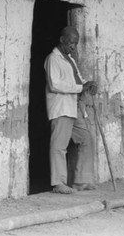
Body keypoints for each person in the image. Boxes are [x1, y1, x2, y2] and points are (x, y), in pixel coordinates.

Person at [44, 26, 97, 194]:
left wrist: (88, 85)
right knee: (59, 146)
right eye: (71, 42)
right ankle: (58, 184)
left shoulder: (70, 59)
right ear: (62, 40)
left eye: (76, 43)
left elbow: (78, 81)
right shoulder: (53, 59)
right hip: (61, 108)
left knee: (86, 139)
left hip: (73, 108)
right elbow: (55, 84)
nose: (73, 46)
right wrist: (80, 88)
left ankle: (81, 181)